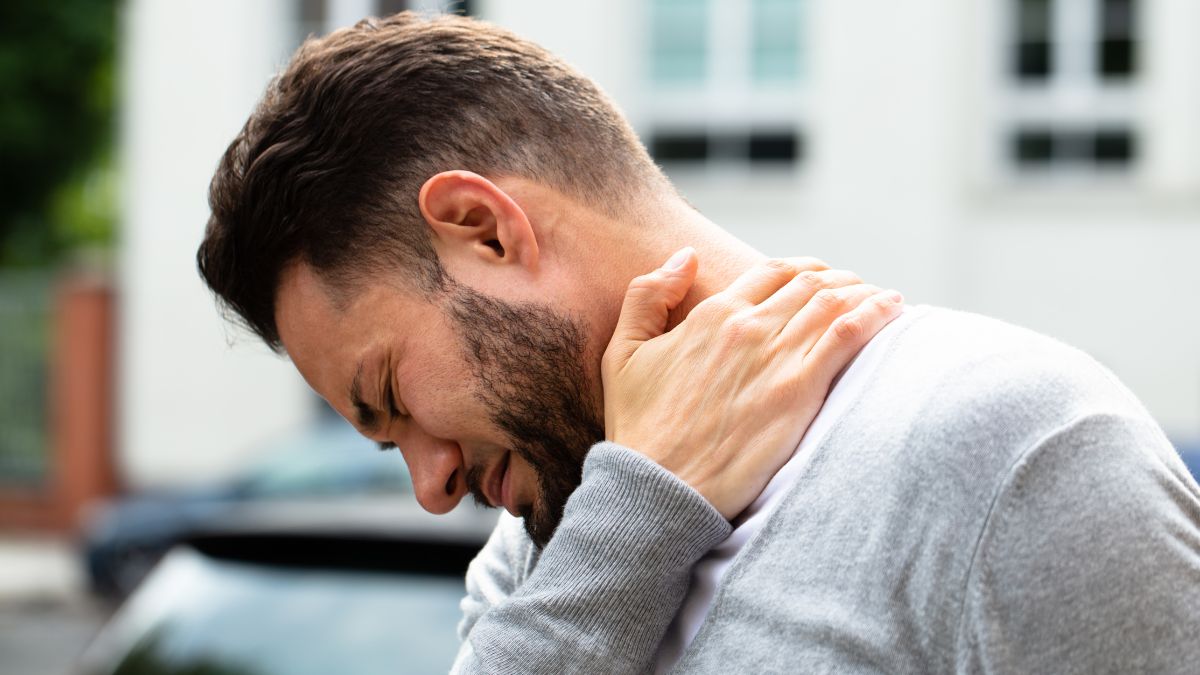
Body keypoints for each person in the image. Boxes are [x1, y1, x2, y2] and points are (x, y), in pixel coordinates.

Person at [195, 11, 1200, 674]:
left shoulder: (1012, 448)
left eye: (394, 399)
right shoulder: (553, 546)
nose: (430, 486)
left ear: (488, 231)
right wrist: (636, 519)